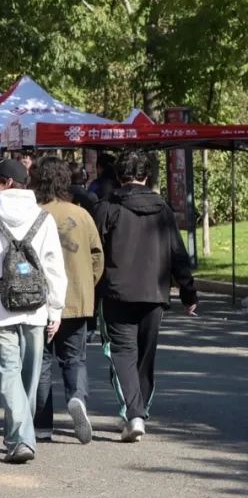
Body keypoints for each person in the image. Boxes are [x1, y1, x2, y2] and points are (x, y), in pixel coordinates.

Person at [93, 151, 197, 443]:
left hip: (117, 293)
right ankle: (139, 411)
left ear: (118, 176)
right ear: (146, 175)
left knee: (123, 353)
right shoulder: (163, 209)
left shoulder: (107, 208)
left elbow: (95, 252)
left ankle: (134, 414)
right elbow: (178, 254)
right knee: (145, 356)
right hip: (155, 293)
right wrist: (188, 292)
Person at [0, 159, 67, 464]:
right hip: (36, 309)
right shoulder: (43, 218)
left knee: (8, 373)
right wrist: (56, 308)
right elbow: (53, 266)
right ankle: (21, 436)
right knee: (29, 377)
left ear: (7, 183)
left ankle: (20, 437)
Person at [32, 157, 103, 444]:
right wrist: (87, 282)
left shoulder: (33, 213)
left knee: (42, 362)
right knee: (75, 358)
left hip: (39, 300)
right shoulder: (81, 214)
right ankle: (77, 398)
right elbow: (97, 255)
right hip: (76, 297)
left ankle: (42, 424)